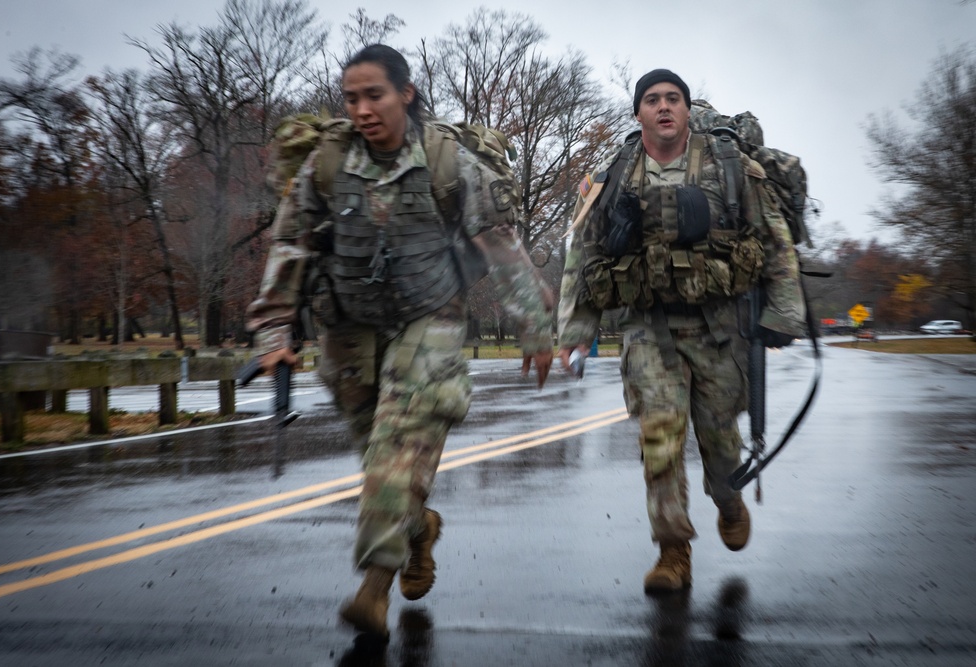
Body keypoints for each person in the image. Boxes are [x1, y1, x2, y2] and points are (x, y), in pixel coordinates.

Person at [244, 44, 554, 639]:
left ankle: (373, 591)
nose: (362, 109)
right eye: (351, 98)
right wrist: (277, 332)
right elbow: (290, 246)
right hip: (350, 328)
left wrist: (534, 329)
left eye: (375, 95)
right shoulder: (328, 164)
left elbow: (499, 242)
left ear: (405, 94)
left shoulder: (446, 162)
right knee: (381, 466)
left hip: (429, 319)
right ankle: (419, 529)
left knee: (395, 451)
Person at [557, 69, 805, 594]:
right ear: (638, 113)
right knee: (660, 437)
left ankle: (729, 498)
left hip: (718, 326)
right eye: (652, 100)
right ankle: (673, 550)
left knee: (719, 439)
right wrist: (576, 331)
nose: (664, 107)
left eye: (673, 98)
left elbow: (773, 239)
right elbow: (583, 256)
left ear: (688, 110)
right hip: (648, 328)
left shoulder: (729, 167)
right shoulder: (614, 174)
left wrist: (783, 314)